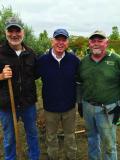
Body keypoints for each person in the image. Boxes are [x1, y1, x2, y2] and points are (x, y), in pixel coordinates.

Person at [0, 17, 40, 160]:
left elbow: (36, 75)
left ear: (23, 32)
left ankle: (34, 157)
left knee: (32, 134)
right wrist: (1, 76)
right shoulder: (0, 52)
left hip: (28, 103)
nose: (14, 34)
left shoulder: (30, 53)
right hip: (7, 105)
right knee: (9, 137)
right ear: (6, 32)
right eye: (11, 30)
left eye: (17, 30)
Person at [37, 29, 80, 160]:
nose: (60, 42)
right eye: (58, 39)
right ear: (52, 41)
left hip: (70, 108)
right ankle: (53, 157)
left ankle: (70, 157)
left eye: (64, 40)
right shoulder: (42, 61)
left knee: (70, 136)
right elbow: (30, 75)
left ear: (67, 42)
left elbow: (81, 80)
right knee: (51, 137)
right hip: (50, 108)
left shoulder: (74, 60)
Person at [77, 30, 120, 160]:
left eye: (100, 40)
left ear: (106, 43)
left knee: (109, 144)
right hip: (88, 107)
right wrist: (79, 102)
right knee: (91, 139)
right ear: (89, 44)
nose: (96, 43)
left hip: (108, 109)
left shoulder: (116, 60)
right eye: (93, 40)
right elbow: (79, 83)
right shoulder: (84, 62)